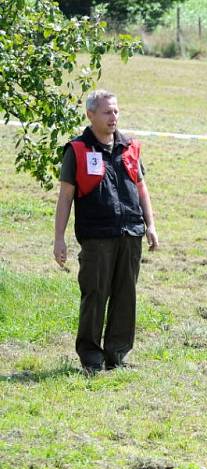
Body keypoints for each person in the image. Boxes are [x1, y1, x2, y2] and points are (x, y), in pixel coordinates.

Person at [53, 89, 159, 374]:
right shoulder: (77, 150)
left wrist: (150, 225)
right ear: (90, 115)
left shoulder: (129, 146)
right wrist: (59, 238)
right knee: (95, 295)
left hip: (130, 232)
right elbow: (65, 197)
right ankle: (91, 358)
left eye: (116, 111)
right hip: (97, 236)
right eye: (107, 112)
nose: (113, 117)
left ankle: (117, 355)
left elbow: (140, 187)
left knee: (126, 296)